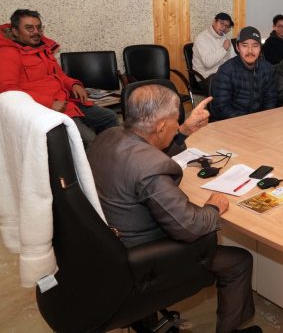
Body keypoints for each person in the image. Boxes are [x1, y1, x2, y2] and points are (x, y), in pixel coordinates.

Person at [87, 85, 260, 333]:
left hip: (109, 243)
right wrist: (213, 207)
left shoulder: (108, 135)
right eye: (175, 121)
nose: (177, 124)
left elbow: (146, 146)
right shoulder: (150, 167)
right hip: (142, 258)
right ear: (159, 126)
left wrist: (182, 131)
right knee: (239, 261)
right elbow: (190, 227)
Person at [0, 9, 118, 147]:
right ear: (15, 31)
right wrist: (49, 103)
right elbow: (9, 91)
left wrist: (73, 85)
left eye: (39, 27)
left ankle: (109, 157)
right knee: (89, 140)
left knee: (110, 118)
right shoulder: (8, 53)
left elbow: (60, 76)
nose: (36, 32)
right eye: (29, 28)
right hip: (44, 109)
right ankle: (91, 164)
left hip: (67, 102)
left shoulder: (43, 50)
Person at [211, 26, 277, 120]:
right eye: (245, 45)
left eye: (255, 46)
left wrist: (264, 118)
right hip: (232, 123)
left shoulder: (267, 68)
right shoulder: (226, 71)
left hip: (260, 122)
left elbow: (271, 99)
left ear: (260, 48)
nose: (250, 51)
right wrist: (248, 120)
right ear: (237, 47)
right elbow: (221, 108)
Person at [192, 12, 235, 91]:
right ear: (214, 22)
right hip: (206, 78)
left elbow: (233, 59)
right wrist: (223, 49)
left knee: (245, 79)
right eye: (221, 23)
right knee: (232, 86)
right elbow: (208, 63)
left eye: (227, 26)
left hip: (224, 75)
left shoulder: (226, 39)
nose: (223, 28)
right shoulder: (201, 38)